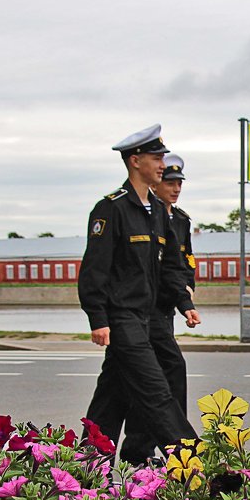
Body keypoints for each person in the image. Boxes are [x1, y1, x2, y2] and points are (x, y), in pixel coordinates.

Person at [78, 125, 197, 456]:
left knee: (112, 396)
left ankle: (89, 466)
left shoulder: (158, 212)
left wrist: (184, 302)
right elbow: (94, 269)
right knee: (154, 388)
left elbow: (171, 266)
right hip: (122, 317)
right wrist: (98, 318)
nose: (162, 164)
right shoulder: (112, 209)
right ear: (135, 161)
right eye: (156, 158)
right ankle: (190, 463)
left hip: (151, 317)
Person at [117, 153, 200, 464]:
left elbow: (183, 264)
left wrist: (186, 297)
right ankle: (168, 450)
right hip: (141, 312)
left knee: (134, 384)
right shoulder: (144, 214)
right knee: (161, 376)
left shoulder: (180, 220)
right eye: (170, 182)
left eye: (179, 182)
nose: (176, 188)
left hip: (164, 312)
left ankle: (136, 453)